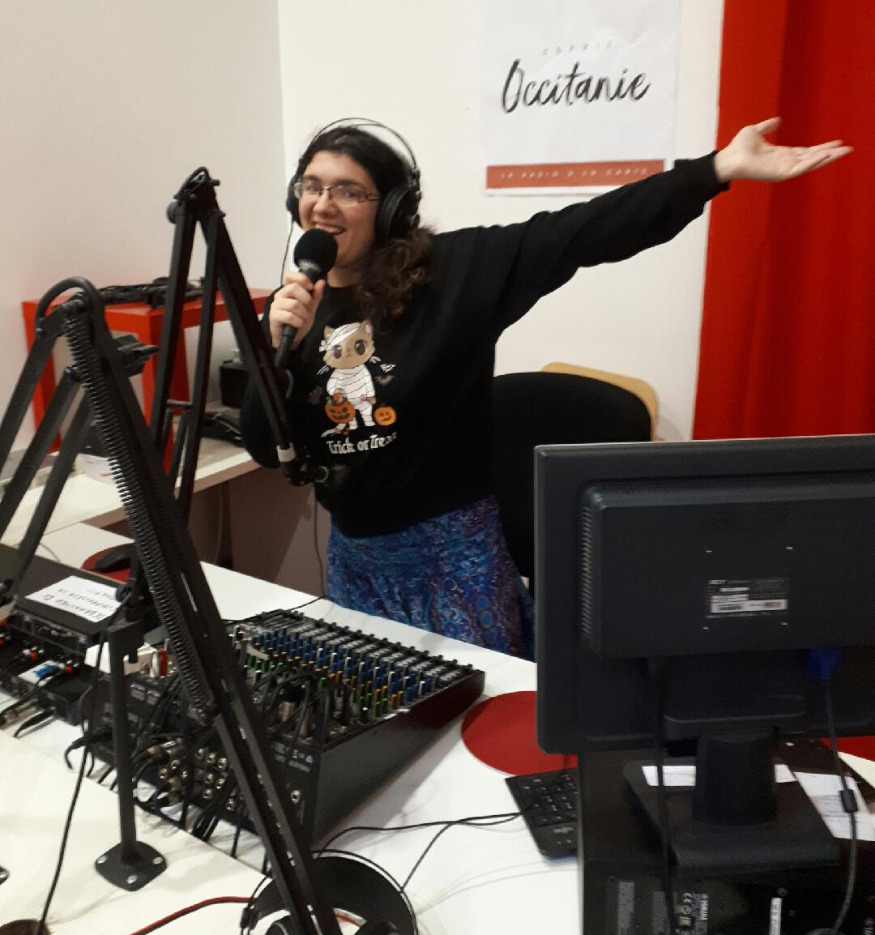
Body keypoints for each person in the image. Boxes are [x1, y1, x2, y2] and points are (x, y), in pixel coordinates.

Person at [240, 116, 851, 659]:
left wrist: (715, 170)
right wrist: (273, 350)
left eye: (349, 191)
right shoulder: (296, 310)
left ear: (392, 207)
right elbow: (270, 448)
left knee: (472, 723)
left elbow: (583, 231)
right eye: (312, 186)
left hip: (453, 567)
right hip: (356, 568)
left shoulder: (452, 274)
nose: (323, 205)